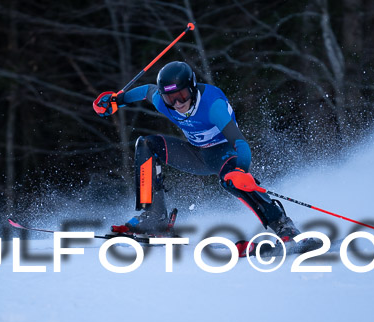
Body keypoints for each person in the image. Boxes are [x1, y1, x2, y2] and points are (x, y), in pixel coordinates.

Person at [93, 61, 303, 254]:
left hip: (224, 153)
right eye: (170, 98)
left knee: (234, 181)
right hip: (196, 154)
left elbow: (240, 143)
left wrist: (242, 169)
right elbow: (146, 91)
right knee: (146, 144)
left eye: (182, 96)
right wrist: (117, 100)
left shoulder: (212, 105)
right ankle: (154, 218)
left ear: (192, 87)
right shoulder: (162, 101)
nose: (177, 103)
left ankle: (284, 227)